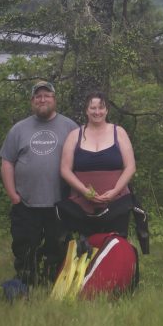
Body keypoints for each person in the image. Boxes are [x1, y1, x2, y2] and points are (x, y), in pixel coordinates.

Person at [0, 81, 78, 285]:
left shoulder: (70, 127)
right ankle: (25, 282)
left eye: (47, 96)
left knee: (57, 246)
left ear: (54, 99)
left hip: (59, 203)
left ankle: (52, 281)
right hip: (25, 202)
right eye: (38, 96)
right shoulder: (19, 129)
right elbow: (7, 162)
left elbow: (80, 160)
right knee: (24, 246)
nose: (42, 100)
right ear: (32, 101)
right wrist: (13, 195)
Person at [59, 91, 137, 237]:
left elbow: (130, 166)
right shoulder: (74, 135)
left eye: (101, 108)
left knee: (114, 248)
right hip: (81, 205)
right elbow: (65, 169)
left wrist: (115, 191)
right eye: (93, 108)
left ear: (107, 110)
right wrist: (84, 191)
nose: (97, 112)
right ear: (86, 110)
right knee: (83, 250)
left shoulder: (119, 132)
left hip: (117, 203)